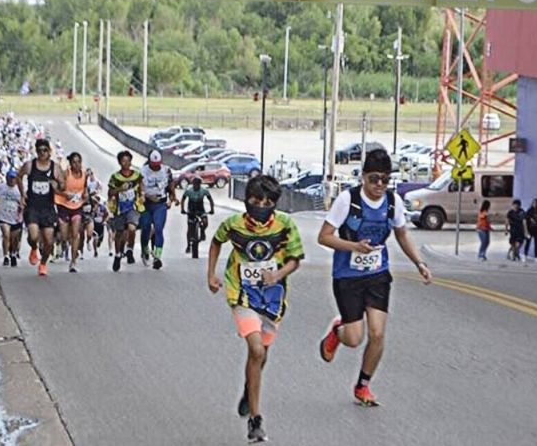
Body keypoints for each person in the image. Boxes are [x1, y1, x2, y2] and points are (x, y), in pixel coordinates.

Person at [317, 149, 432, 407]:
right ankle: (338, 330)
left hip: (378, 275)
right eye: (374, 179)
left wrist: (419, 263)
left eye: (385, 179)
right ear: (364, 178)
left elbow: (402, 234)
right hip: (347, 276)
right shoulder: (348, 200)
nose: (379, 185)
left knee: (378, 334)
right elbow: (323, 237)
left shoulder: (393, 202)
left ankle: (363, 385)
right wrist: (353, 247)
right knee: (355, 338)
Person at [206, 175, 304, 443]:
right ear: (246, 200)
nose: (261, 205)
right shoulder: (233, 224)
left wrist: (278, 274)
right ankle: (256, 420)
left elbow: (296, 259)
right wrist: (211, 275)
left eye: (267, 202)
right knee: (256, 349)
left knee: (262, 355)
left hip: (272, 299)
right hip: (242, 294)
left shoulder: (285, 225)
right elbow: (216, 241)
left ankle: (250, 389)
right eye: (256, 200)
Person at [17, 138, 65, 277]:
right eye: (39, 151)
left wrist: (57, 185)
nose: (42, 153)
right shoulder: (30, 165)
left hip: (48, 208)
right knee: (33, 236)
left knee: (49, 241)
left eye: (45, 150)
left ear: (49, 152)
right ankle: (33, 247)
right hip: (32, 207)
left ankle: (43, 263)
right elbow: (19, 177)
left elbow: (62, 185)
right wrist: (22, 194)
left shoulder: (54, 167)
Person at [139, 150, 178, 270]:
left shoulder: (166, 171)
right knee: (145, 227)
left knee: (158, 228)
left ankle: (157, 257)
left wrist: (172, 200)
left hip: (160, 204)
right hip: (146, 204)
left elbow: (171, 189)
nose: (156, 167)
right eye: (153, 165)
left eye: (157, 165)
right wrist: (142, 195)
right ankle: (145, 249)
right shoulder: (143, 171)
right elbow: (139, 187)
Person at [108, 150, 144, 272]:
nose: (126, 163)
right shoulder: (115, 177)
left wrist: (142, 195)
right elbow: (110, 192)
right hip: (119, 209)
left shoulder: (137, 175)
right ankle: (118, 255)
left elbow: (141, 186)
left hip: (133, 207)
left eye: (128, 161)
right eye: (124, 161)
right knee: (119, 234)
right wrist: (119, 189)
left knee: (132, 228)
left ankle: (130, 250)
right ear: (119, 162)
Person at [54, 152, 89, 273]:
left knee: (75, 234)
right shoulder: (65, 174)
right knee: (64, 235)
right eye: (74, 162)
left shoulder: (84, 175)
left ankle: (73, 262)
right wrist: (65, 194)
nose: (77, 164)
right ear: (70, 163)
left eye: (79, 162)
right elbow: (55, 187)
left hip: (77, 206)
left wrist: (85, 195)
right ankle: (64, 243)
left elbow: (85, 189)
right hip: (63, 205)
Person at [0, 169, 24, 267]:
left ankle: (13, 253)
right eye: (10, 178)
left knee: (14, 239)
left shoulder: (19, 189)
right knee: (6, 235)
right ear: (6, 178)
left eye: (13, 178)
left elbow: (24, 202)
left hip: (16, 217)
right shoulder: (0, 187)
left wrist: (22, 208)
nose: (12, 180)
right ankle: (6, 256)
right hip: (3, 216)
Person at [181, 176, 215, 251]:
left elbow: (210, 200)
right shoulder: (189, 191)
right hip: (191, 210)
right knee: (189, 228)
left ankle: (202, 231)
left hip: (201, 210)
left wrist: (212, 209)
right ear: (192, 184)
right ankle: (188, 245)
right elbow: (183, 200)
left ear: (200, 184)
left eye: (198, 184)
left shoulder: (204, 190)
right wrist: (182, 209)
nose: (196, 186)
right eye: (195, 184)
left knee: (205, 222)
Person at [523, 198, 537, 263]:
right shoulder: (529, 211)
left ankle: (536, 257)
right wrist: (526, 231)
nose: (535, 204)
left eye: (536, 203)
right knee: (528, 243)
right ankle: (525, 255)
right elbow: (524, 221)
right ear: (532, 204)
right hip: (530, 230)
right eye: (534, 203)